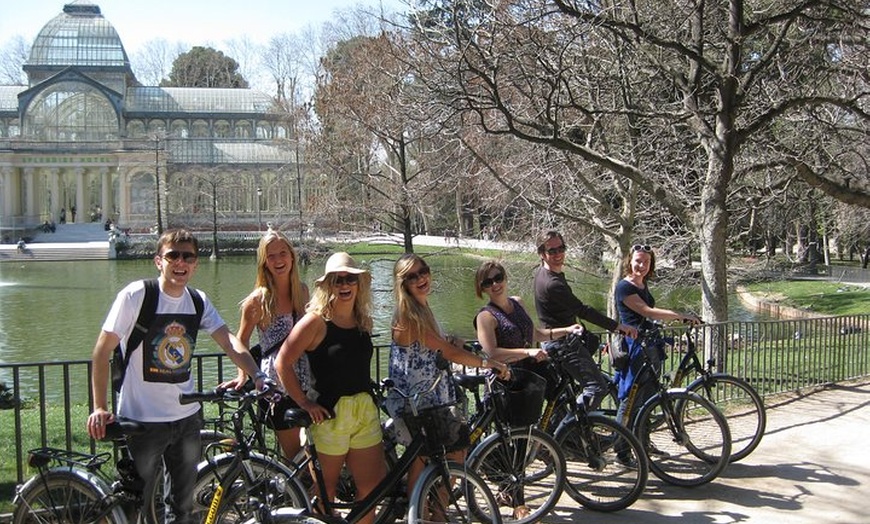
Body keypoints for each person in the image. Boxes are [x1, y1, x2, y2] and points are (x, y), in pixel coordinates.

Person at [86, 229, 267, 524]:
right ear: (159, 261)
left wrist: (257, 374)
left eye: (188, 256)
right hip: (142, 421)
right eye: (173, 255)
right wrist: (99, 407)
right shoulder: (136, 296)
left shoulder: (197, 301)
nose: (180, 262)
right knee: (136, 505)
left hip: (187, 420)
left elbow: (228, 340)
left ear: (195, 264)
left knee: (182, 508)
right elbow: (102, 350)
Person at [275, 252, 385, 524]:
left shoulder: (362, 321)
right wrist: (303, 402)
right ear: (328, 285)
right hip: (329, 416)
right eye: (338, 280)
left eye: (351, 279)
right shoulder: (315, 322)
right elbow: (283, 362)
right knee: (325, 493)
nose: (345, 285)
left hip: (364, 412)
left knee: (371, 489)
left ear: (359, 284)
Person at [386, 254, 509, 497]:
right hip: (418, 403)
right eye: (413, 276)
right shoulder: (408, 315)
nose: (421, 278)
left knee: (445, 458)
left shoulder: (423, 308)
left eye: (424, 271)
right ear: (403, 283)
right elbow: (448, 352)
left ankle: (433, 515)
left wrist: (452, 341)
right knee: (434, 460)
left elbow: (436, 347)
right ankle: (426, 516)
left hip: (432, 400)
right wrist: (488, 362)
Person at [224, 229, 310, 460]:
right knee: (293, 454)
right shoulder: (257, 301)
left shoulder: (302, 291)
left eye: (283, 253)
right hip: (278, 384)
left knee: (314, 446)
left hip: (306, 377)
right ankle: (289, 494)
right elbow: (241, 339)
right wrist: (243, 375)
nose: (278, 260)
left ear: (292, 256)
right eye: (271, 256)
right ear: (264, 262)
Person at [533, 230, 637, 410]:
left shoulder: (545, 274)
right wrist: (617, 326)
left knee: (563, 394)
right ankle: (571, 424)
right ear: (542, 254)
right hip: (563, 344)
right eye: (552, 251)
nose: (558, 254)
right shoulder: (552, 284)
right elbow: (582, 310)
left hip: (554, 342)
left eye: (561, 248)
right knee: (597, 388)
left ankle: (566, 432)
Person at [613, 243, 699, 426]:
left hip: (650, 344)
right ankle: (621, 447)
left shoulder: (642, 284)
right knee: (631, 397)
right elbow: (647, 312)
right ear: (630, 261)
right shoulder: (624, 287)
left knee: (649, 397)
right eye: (638, 261)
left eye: (646, 262)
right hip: (634, 345)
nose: (642, 266)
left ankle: (643, 442)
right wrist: (680, 316)